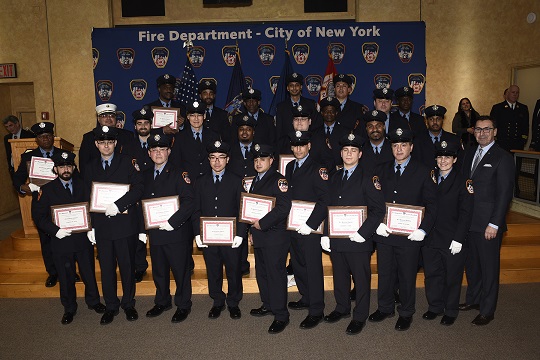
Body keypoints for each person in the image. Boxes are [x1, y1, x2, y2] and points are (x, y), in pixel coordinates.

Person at [369, 128, 437, 331]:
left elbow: (433, 206)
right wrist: (377, 223)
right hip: (386, 233)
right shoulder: (380, 170)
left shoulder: (425, 171)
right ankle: (385, 307)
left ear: (411, 147)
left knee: (407, 275)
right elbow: (373, 201)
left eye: (403, 145)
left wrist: (423, 230)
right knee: (385, 272)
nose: (399, 149)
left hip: (410, 236)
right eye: (395, 145)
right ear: (391, 148)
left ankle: (406, 312)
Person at [321, 133, 385, 335]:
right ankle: (342, 308)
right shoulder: (334, 177)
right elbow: (327, 207)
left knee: (361, 279)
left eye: (353, 150)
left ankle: (359, 316)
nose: (349, 154)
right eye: (345, 150)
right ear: (341, 153)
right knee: (340, 276)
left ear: (360, 154)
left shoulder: (368, 179)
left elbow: (378, 210)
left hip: (359, 240)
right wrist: (325, 233)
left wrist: (364, 233)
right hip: (338, 239)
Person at [31, 151, 106, 324]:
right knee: (65, 276)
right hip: (60, 241)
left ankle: (93, 301)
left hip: (82, 240)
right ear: (55, 169)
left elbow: (93, 208)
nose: (66, 169)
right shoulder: (46, 190)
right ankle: (69, 308)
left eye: (68, 166)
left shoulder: (84, 185)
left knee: (88, 273)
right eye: (62, 166)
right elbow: (38, 216)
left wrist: (91, 228)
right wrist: (55, 230)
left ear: (73, 167)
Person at [83, 125, 144, 325]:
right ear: (96, 144)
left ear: (116, 143)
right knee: (107, 268)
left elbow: (139, 189)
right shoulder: (90, 166)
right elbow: (86, 197)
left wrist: (119, 205)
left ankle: (128, 304)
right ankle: (111, 305)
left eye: (110, 142)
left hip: (125, 225)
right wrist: (89, 225)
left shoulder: (127, 163)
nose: (106, 145)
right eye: (102, 142)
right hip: (102, 228)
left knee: (127, 267)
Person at [459, 116, 515, 326]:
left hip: (488, 224)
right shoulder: (470, 153)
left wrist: (495, 223)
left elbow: (504, 195)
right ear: (473, 132)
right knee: (472, 265)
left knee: (489, 268)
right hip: (469, 222)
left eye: (487, 129)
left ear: (495, 131)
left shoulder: (503, 157)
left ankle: (487, 309)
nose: (482, 133)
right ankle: (473, 300)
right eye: (478, 129)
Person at [141, 132, 195, 323]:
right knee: (159, 270)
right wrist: (142, 229)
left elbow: (189, 202)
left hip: (176, 232)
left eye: (162, 149)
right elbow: (141, 203)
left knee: (180, 270)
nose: (158, 153)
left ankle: (183, 304)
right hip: (155, 233)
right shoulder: (145, 175)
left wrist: (172, 222)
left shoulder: (180, 174)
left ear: (169, 151)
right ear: (149, 153)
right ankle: (162, 301)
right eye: (154, 149)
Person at [193, 140, 247, 320]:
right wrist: (197, 233)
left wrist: (240, 233)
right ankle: (217, 301)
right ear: (208, 160)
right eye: (213, 158)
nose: (217, 162)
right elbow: (196, 209)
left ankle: (233, 302)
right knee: (213, 270)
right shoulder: (200, 182)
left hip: (231, 237)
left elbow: (242, 209)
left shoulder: (236, 180)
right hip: (209, 237)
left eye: (221, 158)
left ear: (228, 159)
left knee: (233, 270)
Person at [421, 141, 473, 326]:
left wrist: (459, 238)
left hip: (452, 239)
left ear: (455, 159)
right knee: (432, 275)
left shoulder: (463, 181)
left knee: (452, 276)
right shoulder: (430, 177)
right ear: (436, 159)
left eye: (448, 157)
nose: (443, 161)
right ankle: (435, 306)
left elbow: (466, 213)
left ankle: (450, 310)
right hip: (431, 238)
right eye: (440, 157)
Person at [284, 131, 329, 329]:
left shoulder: (318, 168)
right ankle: (306, 297)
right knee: (299, 263)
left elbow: (324, 200)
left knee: (312, 267)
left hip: (311, 228)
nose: (299, 149)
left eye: (302, 145)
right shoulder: (290, 166)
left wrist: (310, 224)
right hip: (293, 226)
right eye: (295, 145)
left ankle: (317, 309)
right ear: (292, 147)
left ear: (309, 146)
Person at [248, 144, 292, 334]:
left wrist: (262, 223)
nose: (258, 162)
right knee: (262, 273)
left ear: (271, 161)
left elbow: (283, 207)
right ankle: (268, 304)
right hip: (260, 236)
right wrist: (252, 230)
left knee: (276, 275)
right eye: (256, 159)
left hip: (275, 236)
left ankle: (281, 315)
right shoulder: (255, 180)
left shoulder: (279, 180)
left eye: (263, 159)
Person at [12, 121, 60, 287]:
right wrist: (23, 186)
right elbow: (17, 178)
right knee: (46, 240)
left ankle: (68, 270)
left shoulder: (63, 154)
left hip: (61, 205)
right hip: (40, 204)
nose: (45, 139)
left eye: (48, 135)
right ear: (37, 140)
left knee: (64, 239)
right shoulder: (28, 157)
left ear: (53, 137)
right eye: (41, 136)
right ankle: (53, 273)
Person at [78, 103, 138, 175]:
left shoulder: (127, 136)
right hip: (97, 179)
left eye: (111, 116)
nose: (108, 118)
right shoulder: (89, 137)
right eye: (104, 116)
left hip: (123, 178)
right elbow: (84, 165)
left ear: (116, 119)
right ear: (98, 119)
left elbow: (133, 161)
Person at [169, 101, 221, 180]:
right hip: (188, 183)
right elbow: (175, 163)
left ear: (204, 116)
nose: (196, 119)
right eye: (192, 115)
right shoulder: (180, 137)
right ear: (188, 117)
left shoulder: (213, 136)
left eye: (199, 115)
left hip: (209, 182)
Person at [131, 106, 154, 283]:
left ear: (151, 124)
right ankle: (139, 267)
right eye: (140, 123)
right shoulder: (127, 145)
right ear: (135, 126)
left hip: (156, 193)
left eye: (146, 122)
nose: (143, 126)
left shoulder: (159, 142)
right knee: (137, 232)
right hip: (136, 195)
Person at [278, 105, 334, 171]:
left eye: (303, 119)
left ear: (310, 121)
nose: (299, 122)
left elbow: (329, 164)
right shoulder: (284, 141)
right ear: (292, 122)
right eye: (296, 119)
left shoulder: (319, 140)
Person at [275, 72, 322, 143]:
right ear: (287, 88)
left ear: (301, 87)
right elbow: (279, 131)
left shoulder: (310, 104)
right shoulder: (281, 107)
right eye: (291, 85)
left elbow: (316, 127)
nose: (294, 88)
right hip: (288, 146)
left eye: (297, 85)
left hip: (308, 144)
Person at [416, 105, 461, 169]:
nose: (435, 122)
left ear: (443, 120)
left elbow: (458, 165)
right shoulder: (418, 140)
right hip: (423, 178)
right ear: (426, 121)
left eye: (438, 119)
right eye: (431, 119)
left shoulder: (453, 140)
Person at [489, 85, 529, 152]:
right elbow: (493, 124)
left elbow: (525, 126)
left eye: (517, 93)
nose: (515, 94)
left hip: (517, 143)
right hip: (502, 143)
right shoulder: (498, 108)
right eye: (513, 92)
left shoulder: (523, 108)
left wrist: (523, 140)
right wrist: (494, 138)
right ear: (507, 93)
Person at [315, 96, 352, 168]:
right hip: (319, 173)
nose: (329, 113)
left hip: (339, 173)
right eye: (326, 111)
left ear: (336, 113)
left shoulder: (346, 133)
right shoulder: (314, 133)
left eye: (332, 111)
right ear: (322, 113)